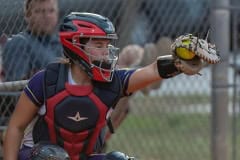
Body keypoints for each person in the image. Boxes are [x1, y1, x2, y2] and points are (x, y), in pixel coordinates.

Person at [3, 12, 205, 160]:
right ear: (75, 45)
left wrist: (178, 62)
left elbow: (152, 71)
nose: (106, 52)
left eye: (107, 46)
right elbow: (15, 127)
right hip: (40, 155)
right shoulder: (47, 81)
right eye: (98, 46)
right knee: (52, 157)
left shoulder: (112, 80)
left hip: (81, 156)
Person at [2, 0, 62, 81]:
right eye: (39, 11)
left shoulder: (61, 43)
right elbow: (17, 85)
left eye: (51, 11)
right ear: (27, 16)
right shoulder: (19, 42)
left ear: (57, 14)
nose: (47, 16)